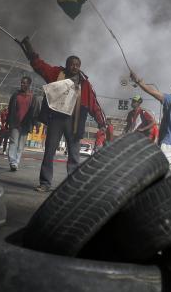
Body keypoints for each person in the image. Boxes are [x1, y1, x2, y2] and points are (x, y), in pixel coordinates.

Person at [19, 37, 106, 192]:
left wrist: (102, 123)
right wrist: (30, 51)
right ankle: (45, 183)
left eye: (77, 65)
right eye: (72, 64)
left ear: (80, 67)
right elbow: (40, 66)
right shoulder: (56, 74)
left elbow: (94, 104)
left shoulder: (85, 83)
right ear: (67, 65)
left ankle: (72, 186)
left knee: (74, 155)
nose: (75, 67)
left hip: (75, 121)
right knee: (49, 151)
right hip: (57, 119)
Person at [5, 76, 40, 171]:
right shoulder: (15, 95)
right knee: (13, 142)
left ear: (29, 84)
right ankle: (12, 162)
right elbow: (10, 109)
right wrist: (7, 122)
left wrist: (36, 125)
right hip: (15, 122)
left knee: (20, 145)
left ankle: (16, 162)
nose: (22, 84)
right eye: (21, 83)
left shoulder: (33, 97)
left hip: (26, 123)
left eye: (25, 83)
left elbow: (36, 112)